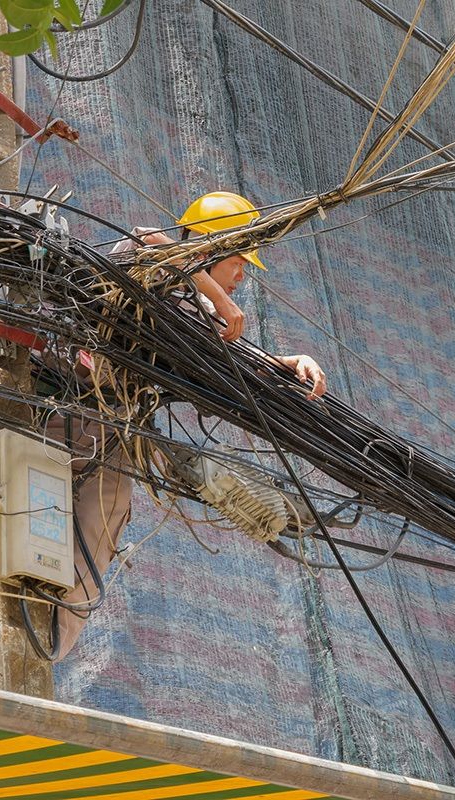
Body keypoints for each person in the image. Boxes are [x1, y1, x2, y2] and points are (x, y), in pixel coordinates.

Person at [49, 191, 326, 660]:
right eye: (238, 258)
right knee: (18, 508)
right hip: (63, 404)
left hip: (121, 431)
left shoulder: (205, 316)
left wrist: (289, 361)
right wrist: (215, 294)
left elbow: (239, 364)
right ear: (209, 246)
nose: (241, 274)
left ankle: (45, 649)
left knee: (101, 535)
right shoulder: (150, 266)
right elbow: (146, 238)